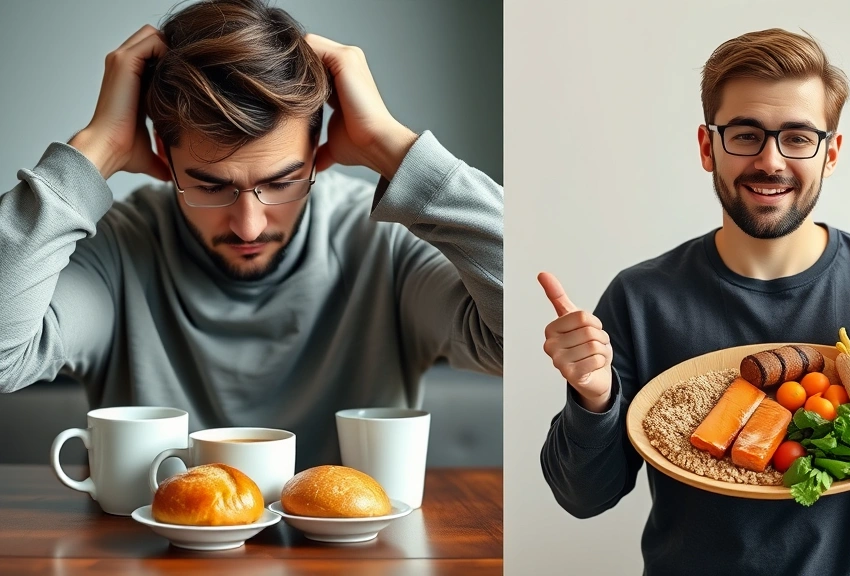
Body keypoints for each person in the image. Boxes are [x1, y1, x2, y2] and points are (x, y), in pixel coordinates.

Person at [537, 28, 850, 576]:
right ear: (708, 146)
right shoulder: (642, 299)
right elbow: (582, 497)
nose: (771, 160)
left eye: (798, 137)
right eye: (745, 134)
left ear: (830, 153)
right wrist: (593, 398)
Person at [0, 0, 502, 470]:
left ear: (316, 151)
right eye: (210, 186)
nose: (249, 225)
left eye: (281, 183)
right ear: (162, 153)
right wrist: (94, 150)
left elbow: (524, 336)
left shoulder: (383, 244)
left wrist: (392, 144)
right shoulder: (117, 251)